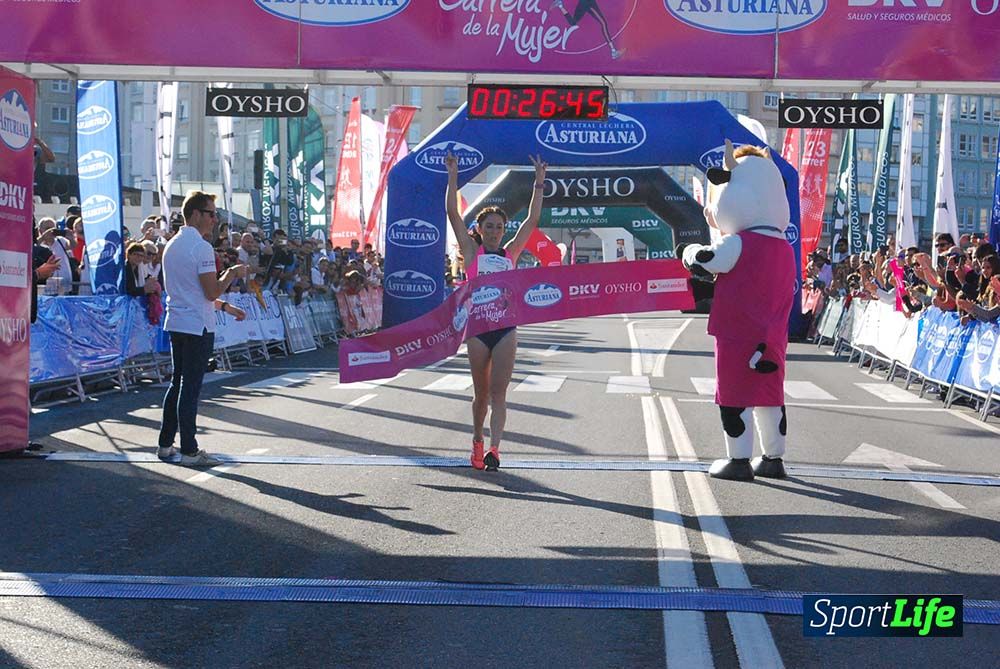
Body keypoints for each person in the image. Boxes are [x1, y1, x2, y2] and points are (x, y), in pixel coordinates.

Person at [446, 151, 548, 471]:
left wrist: (539, 183)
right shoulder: (471, 250)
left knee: (499, 393)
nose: (494, 231)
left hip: (505, 328)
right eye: (489, 226)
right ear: (479, 228)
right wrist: (453, 175)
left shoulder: (510, 252)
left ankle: (495, 449)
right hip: (478, 330)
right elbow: (451, 212)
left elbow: (531, 221)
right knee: (481, 395)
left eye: (499, 227)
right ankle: (477, 439)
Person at [157, 190, 247, 466]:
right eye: (211, 214)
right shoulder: (201, 247)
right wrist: (230, 274)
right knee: (189, 387)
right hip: (196, 326)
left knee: (178, 383)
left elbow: (194, 292)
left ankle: (165, 444)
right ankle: (189, 449)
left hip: (178, 321)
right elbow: (209, 291)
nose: (214, 220)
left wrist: (225, 307)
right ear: (196, 214)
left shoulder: (172, 245)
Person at [550, 0, 622, 60]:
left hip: (583, 2)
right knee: (603, 23)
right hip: (588, 2)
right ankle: (613, 51)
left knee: (573, 22)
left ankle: (560, 5)